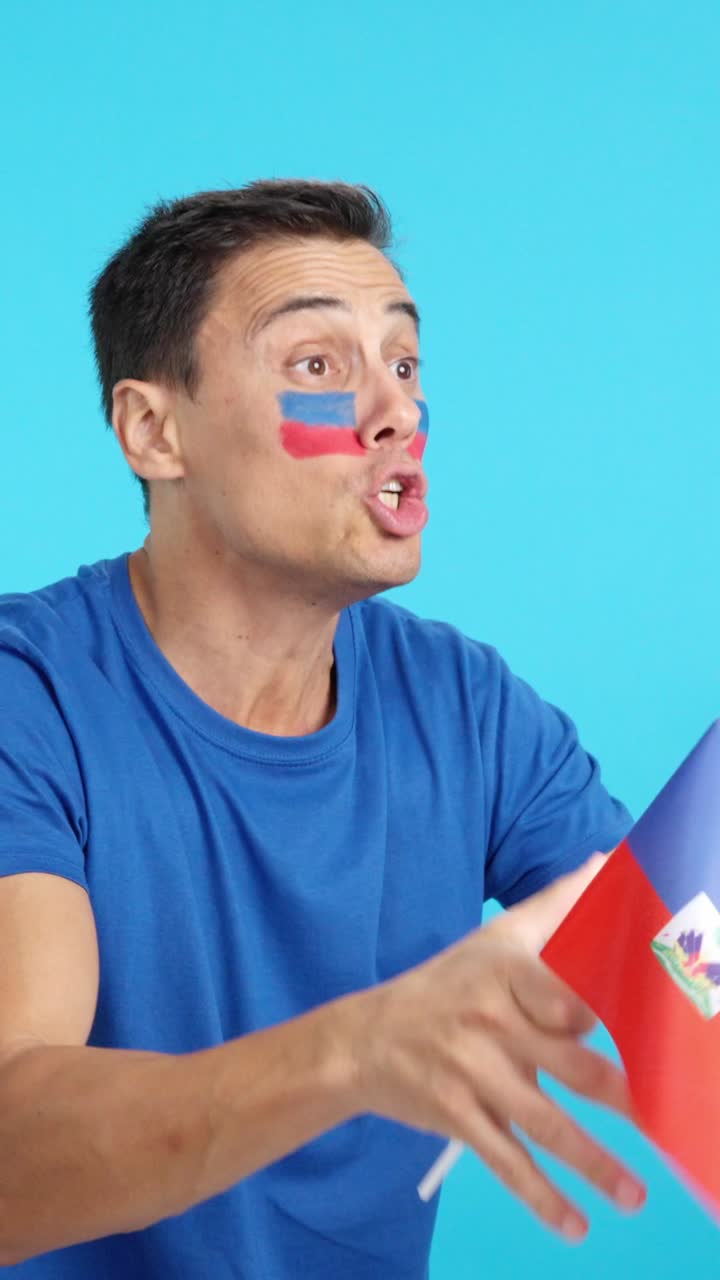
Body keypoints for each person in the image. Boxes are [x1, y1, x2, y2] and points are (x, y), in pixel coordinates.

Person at [0, 180, 645, 1278]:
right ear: (155, 431)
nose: (394, 411)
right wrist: (356, 1047)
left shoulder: (469, 705)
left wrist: (681, 938)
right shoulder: (30, 696)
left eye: (403, 364)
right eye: (316, 367)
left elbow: (671, 951)